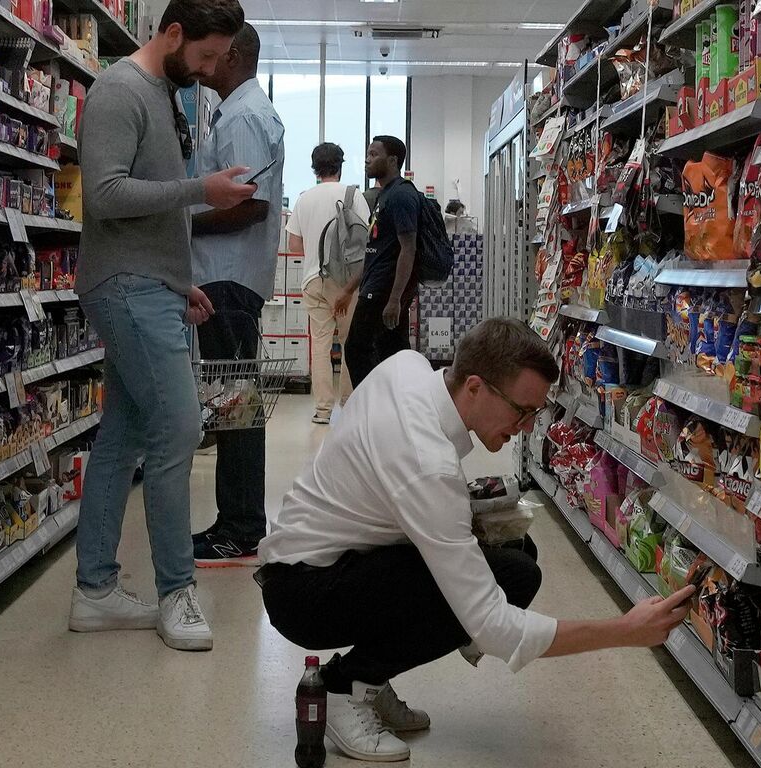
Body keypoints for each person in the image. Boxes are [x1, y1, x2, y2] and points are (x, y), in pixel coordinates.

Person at [257, 319, 698, 763]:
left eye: (534, 414)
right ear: (474, 387)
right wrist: (625, 631)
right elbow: (493, 625)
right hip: (303, 592)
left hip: (321, 557)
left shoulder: (409, 366)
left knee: (516, 553)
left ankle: (368, 677)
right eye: (520, 410)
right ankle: (344, 689)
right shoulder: (429, 464)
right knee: (509, 581)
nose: (526, 427)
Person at [71, 0, 256, 651]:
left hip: (150, 285)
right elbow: (106, 194)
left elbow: (151, 210)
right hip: (124, 285)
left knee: (122, 438)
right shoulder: (122, 89)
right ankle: (178, 591)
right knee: (179, 427)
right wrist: (199, 189)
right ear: (173, 33)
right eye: (204, 56)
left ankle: (94, 591)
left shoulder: (163, 94)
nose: (208, 71)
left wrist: (181, 284)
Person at [187, 23, 283, 568]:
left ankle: (242, 526)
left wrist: (182, 223)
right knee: (234, 402)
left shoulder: (245, 117)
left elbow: (252, 204)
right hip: (230, 278)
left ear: (237, 54)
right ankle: (238, 521)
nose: (205, 63)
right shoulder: (239, 112)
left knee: (235, 405)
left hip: (227, 279)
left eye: (214, 53)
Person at [284, 142, 369, 424]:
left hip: (312, 280)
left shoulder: (304, 199)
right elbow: (365, 238)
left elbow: (294, 244)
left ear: (314, 168)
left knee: (320, 344)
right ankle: (348, 405)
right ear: (340, 166)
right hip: (345, 283)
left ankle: (322, 410)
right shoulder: (353, 195)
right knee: (348, 342)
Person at [344, 136, 424, 387]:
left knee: (357, 348)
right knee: (391, 354)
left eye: (374, 154)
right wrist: (349, 289)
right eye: (367, 154)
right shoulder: (384, 196)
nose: (367, 159)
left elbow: (408, 249)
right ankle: (393, 407)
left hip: (384, 292)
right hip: (376, 287)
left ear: (392, 160)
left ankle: (372, 406)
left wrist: (395, 300)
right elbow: (374, 251)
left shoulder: (401, 195)